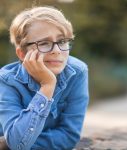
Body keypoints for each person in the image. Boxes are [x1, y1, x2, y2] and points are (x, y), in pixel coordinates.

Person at [0, 6, 89, 150]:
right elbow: (17, 144)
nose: (57, 51)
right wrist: (47, 87)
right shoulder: (6, 80)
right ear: (22, 54)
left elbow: (69, 136)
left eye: (61, 41)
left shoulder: (77, 72)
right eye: (43, 43)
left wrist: (8, 143)